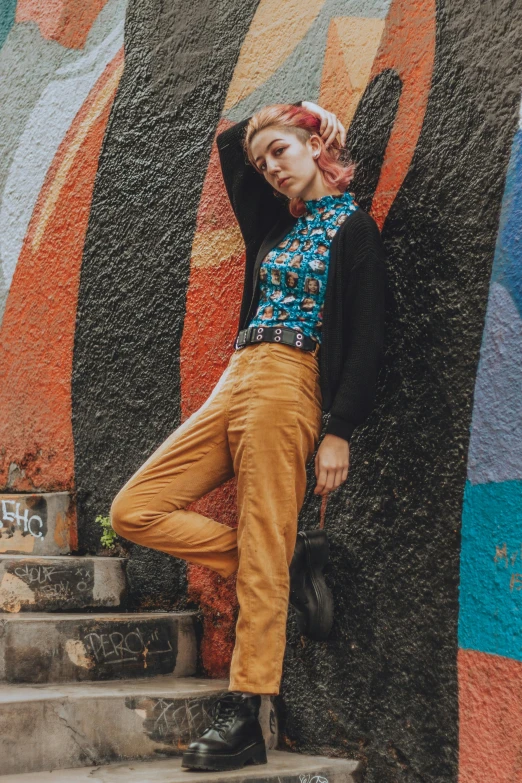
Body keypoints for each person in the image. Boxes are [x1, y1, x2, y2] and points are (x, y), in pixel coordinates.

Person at [110, 100, 386, 773]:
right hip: (236, 378)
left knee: (265, 547)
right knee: (133, 509)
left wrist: (339, 431)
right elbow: (233, 143)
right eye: (266, 164)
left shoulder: (353, 230)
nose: (271, 168)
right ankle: (271, 557)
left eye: (284, 151)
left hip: (292, 383)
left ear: (316, 147)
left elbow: (371, 340)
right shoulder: (272, 225)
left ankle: (246, 713)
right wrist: (282, 120)